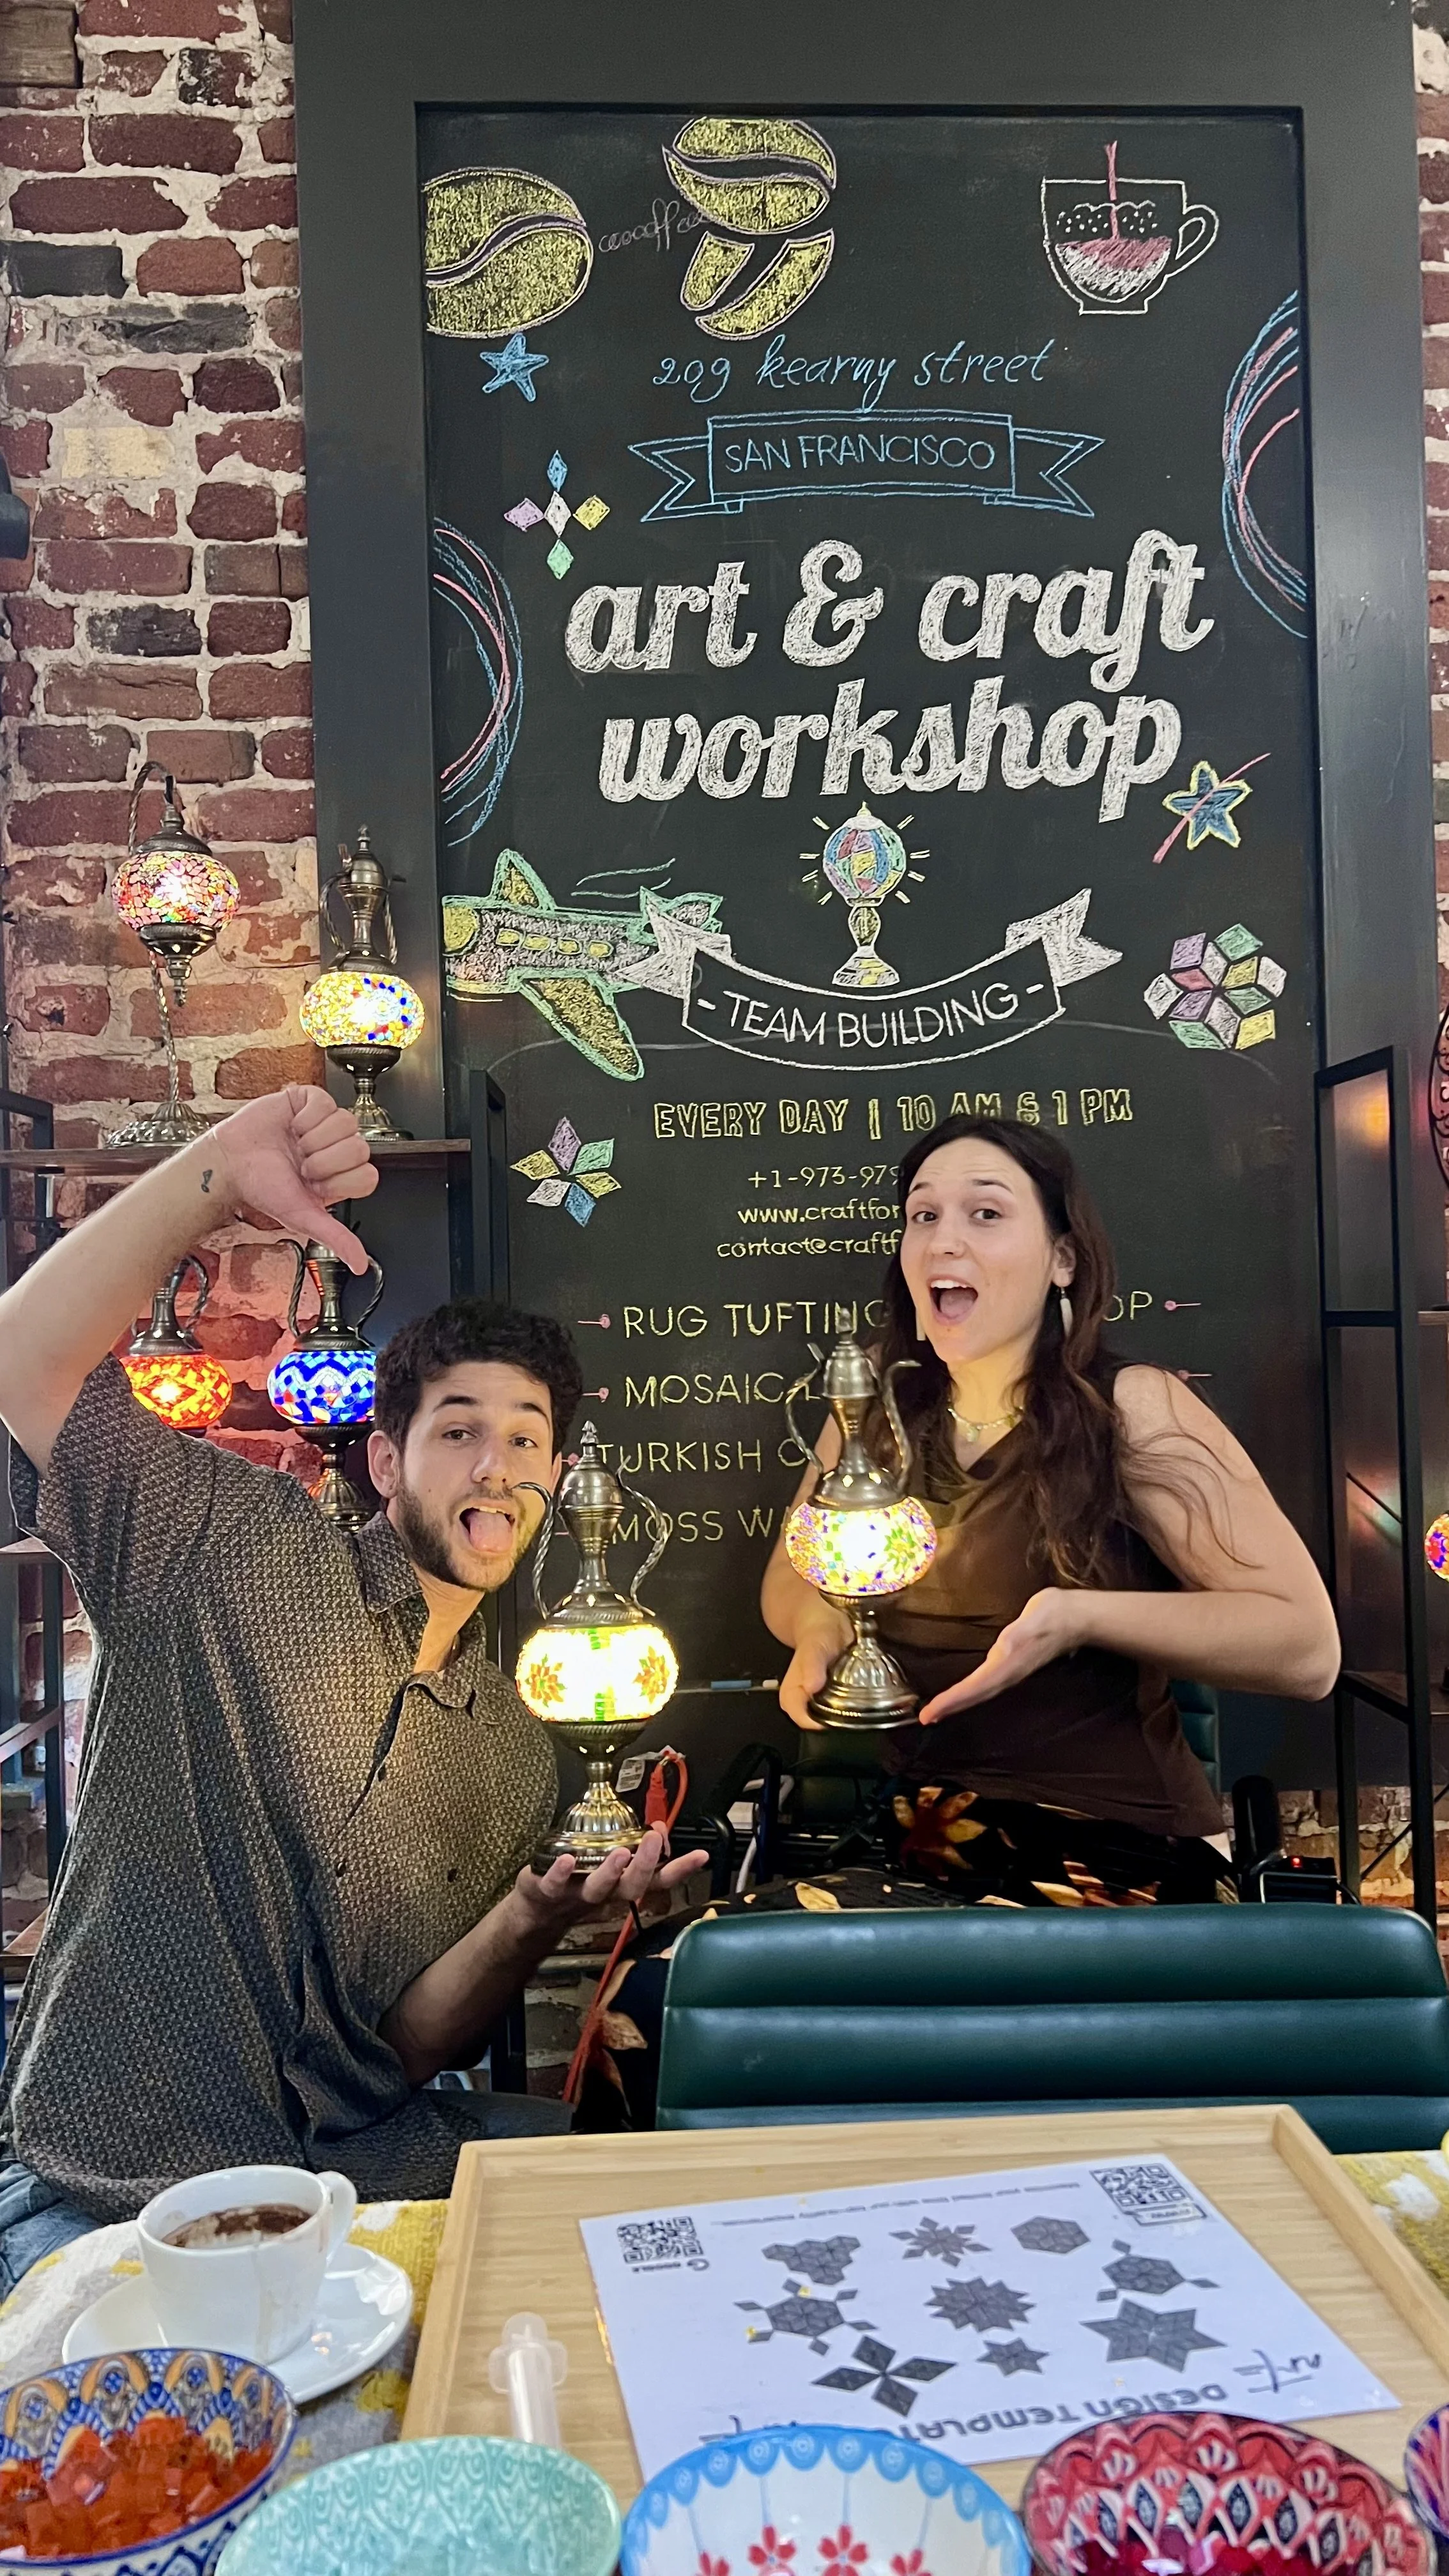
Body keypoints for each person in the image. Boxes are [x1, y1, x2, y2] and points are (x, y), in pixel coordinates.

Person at [0, 1083, 703, 2292]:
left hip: (363, 2181)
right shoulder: (225, 1546)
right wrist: (213, 1173)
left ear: (559, 1477)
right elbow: (21, 1356)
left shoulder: (512, 1754)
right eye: (458, 1430)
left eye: (528, 1438)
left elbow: (402, 2043)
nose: (497, 1463)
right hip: (110, 2193)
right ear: (385, 1460)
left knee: (644, 2228)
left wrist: (534, 1915)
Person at [762, 1113, 1341, 1905]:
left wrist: (1075, 1618)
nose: (942, 1241)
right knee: (680, 1980)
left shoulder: (1131, 1408)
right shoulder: (877, 1398)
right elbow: (793, 1580)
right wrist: (821, 1631)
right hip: (921, 1841)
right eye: (922, 1216)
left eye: (986, 1214)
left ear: (1062, 1259)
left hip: (1110, 1848)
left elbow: (1306, 1648)